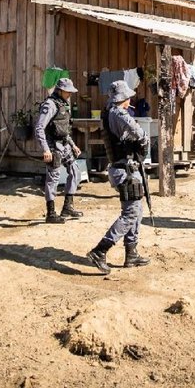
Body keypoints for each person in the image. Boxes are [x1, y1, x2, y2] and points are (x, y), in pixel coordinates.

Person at [87, 81, 151, 274]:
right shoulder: (118, 113)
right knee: (131, 213)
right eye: (127, 97)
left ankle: (131, 254)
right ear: (122, 99)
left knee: (136, 211)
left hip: (124, 168)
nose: (130, 100)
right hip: (125, 170)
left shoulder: (109, 112)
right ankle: (100, 250)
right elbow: (139, 133)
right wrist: (143, 140)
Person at [35, 78, 83, 224]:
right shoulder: (49, 105)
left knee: (75, 171)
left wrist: (73, 145)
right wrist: (45, 149)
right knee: (53, 179)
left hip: (65, 145)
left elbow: (64, 129)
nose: (70, 94)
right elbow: (39, 128)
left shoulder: (63, 104)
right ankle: (51, 213)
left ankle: (68, 206)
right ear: (60, 90)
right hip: (53, 147)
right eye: (67, 91)